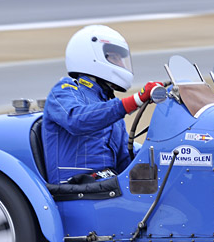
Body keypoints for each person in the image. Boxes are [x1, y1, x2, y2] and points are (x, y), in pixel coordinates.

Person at [42, 25, 162, 184]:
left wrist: (163, 157)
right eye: (114, 58)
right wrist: (134, 101)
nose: (120, 63)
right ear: (90, 56)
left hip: (106, 188)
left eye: (121, 58)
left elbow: (126, 161)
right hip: (75, 187)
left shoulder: (109, 105)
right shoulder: (66, 90)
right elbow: (76, 119)